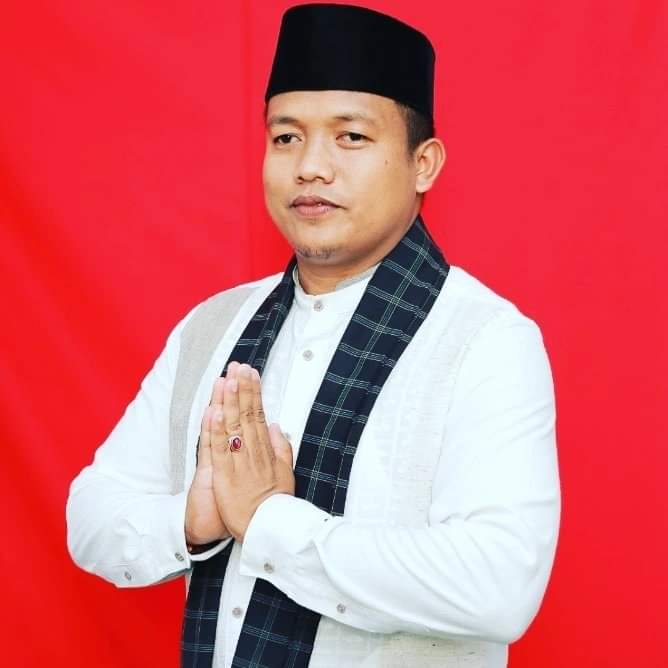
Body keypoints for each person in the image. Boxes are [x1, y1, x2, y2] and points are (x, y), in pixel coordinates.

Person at [66, 4, 560, 667]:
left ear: (423, 164)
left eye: (350, 136)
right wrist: (195, 518)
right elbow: (91, 517)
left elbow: (499, 586)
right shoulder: (213, 325)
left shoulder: (485, 340)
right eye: (286, 137)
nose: (310, 167)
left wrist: (270, 523)